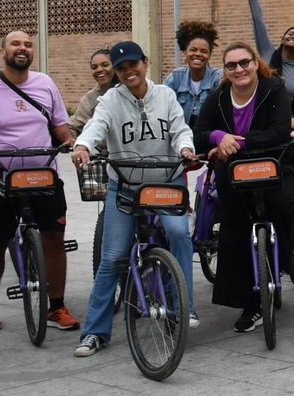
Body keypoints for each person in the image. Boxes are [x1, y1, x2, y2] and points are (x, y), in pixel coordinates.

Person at [70, 41, 200, 355]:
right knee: (112, 257)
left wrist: (185, 147)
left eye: (134, 64)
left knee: (180, 234)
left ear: (145, 62)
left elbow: (180, 128)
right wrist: (83, 146)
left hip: (164, 184)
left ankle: (184, 307)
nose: (129, 72)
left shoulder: (165, 95)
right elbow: (96, 126)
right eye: (122, 68)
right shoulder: (110, 100)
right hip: (125, 186)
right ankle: (94, 332)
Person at [0, 30, 79, 332]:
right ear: (2, 52)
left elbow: (59, 125)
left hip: (43, 175)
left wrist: (73, 143)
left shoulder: (45, 83)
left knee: (54, 238)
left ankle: (57, 306)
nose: (22, 49)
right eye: (15, 44)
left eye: (27, 44)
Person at [193, 41, 294, 333]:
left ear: (255, 63)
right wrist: (216, 137)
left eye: (244, 63)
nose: (239, 69)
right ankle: (249, 302)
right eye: (231, 65)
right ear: (225, 70)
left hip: (274, 163)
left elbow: (279, 132)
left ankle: (285, 259)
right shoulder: (219, 96)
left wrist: (234, 141)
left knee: (280, 206)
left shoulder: (273, 89)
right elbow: (199, 133)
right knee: (234, 228)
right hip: (234, 172)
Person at [163, 20, 222, 125]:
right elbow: (162, 107)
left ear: (209, 55)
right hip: (181, 137)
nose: (198, 54)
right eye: (193, 50)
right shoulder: (175, 78)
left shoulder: (218, 78)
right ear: (185, 52)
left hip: (210, 137)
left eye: (204, 51)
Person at [67, 48, 116, 137]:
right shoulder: (89, 99)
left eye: (105, 65)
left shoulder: (129, 91)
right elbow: (73, 126)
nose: (99, 70)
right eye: (94, 67)